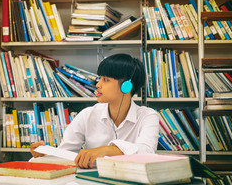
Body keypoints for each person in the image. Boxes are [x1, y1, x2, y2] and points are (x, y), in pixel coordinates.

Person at [30, 53, 160, 168]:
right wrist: (46, 154)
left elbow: (146, 152)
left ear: (126, 86)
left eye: (105, 80)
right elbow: (66, 154)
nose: (97, 85)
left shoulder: (148, 116)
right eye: (99, 78)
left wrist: (105, 150)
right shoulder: (87, 114)